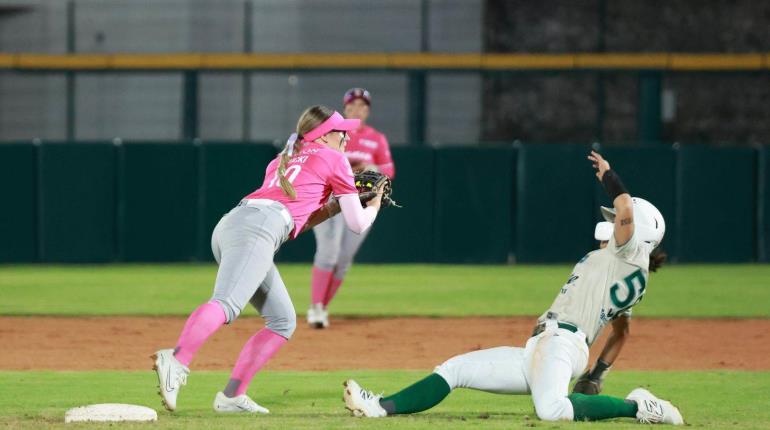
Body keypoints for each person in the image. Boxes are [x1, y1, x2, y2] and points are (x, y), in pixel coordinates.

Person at [342, 151, 684, 425]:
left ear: (640, 234)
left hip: (563, 344)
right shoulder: (630, 273)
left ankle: (638, 408)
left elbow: (624, 206)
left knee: (551, 409)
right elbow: (621, 332)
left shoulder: (628, 253)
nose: (614, 223)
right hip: (542, 347)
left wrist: (608, 174)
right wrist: (597, 374)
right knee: (455, 368)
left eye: (622, 223)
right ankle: (380, 407)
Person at [152, 105, 386, 414]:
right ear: (325, 135)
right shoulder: (335, 158)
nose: (347, 136)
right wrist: (375, 205)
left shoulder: (281, 159)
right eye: (341, 131)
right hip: (257, 229)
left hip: (236, 225)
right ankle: (177, 359)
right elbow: (357, 225)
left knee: (282, 321)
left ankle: (232, 396)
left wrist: (333, 207)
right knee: (226, 303)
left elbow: (295, 223)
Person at [307, 88, 395, 329]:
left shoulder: (376, 138)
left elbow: (389, 172)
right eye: (352, 106)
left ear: (368, 111)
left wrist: (372, 167)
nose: (357, 110)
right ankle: (315, 308)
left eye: (363, 107)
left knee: (344, 259)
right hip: (330, 198)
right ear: (345, 109)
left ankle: (322, 307)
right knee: (328, 253)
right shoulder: (332, 132)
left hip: (360, 202)